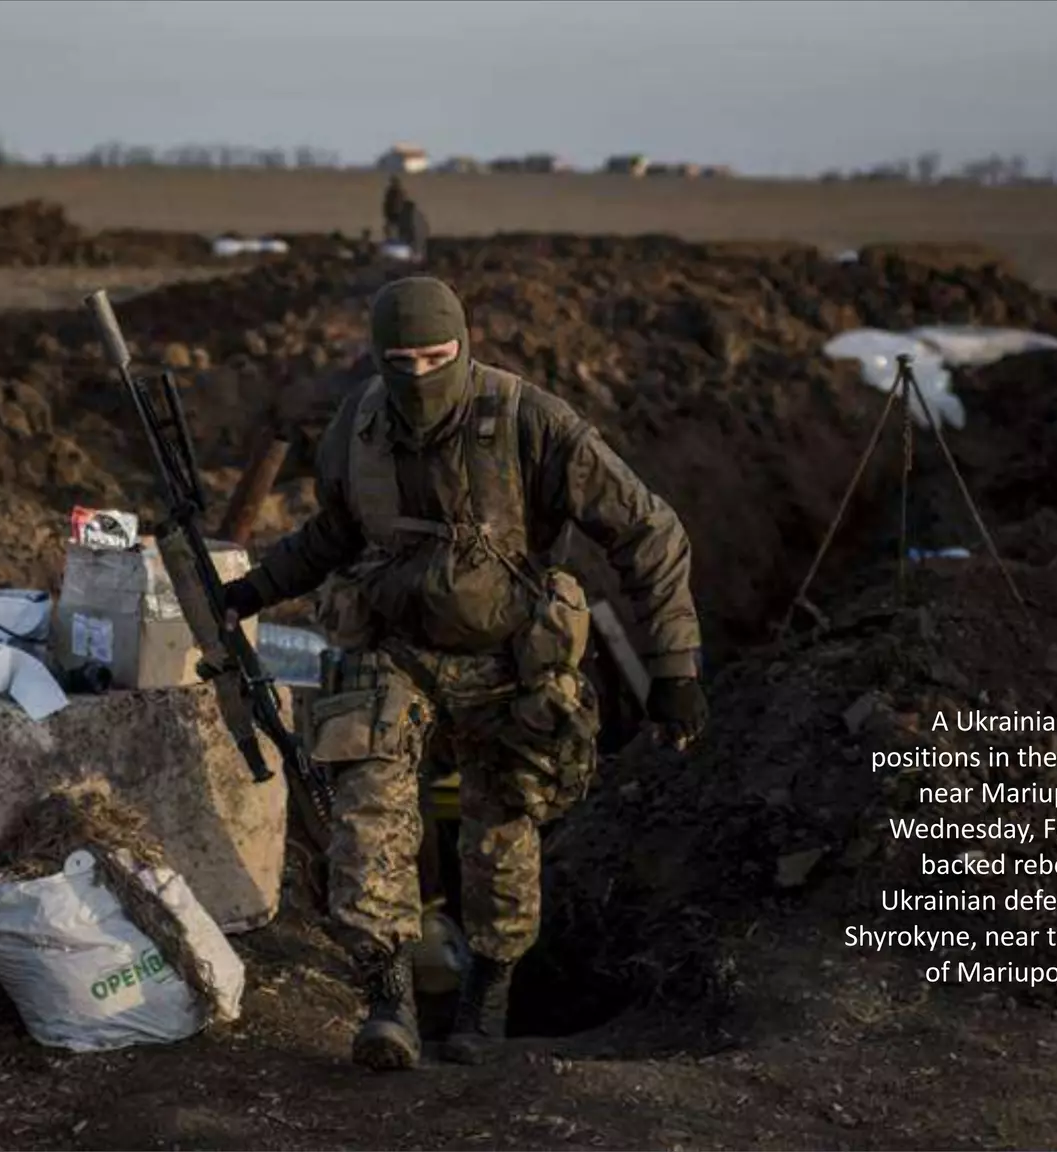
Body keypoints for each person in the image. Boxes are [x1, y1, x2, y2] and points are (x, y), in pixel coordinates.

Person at [220, 276, 707, 1071]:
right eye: (401, 360)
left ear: (465, 347)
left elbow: (649, 531)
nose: (419, 376)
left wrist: (674, 666)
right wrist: (254, 589)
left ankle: (487, 1000)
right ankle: (388, 1000)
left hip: (509, 662)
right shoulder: (360, 424)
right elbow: (333, 533)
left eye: (437, 357)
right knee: (367, 815)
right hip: (394, 652)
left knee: (502, 833)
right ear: (379, 357)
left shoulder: (532, 423)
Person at [382, 175, 411, 241]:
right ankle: (390, 238)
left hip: (397, 213)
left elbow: (402, 203)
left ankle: (398, 238)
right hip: (392, 213)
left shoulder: (398, 192)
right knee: (390, 227)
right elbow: (387, 203)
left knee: (397, 227)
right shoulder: (390, 192)